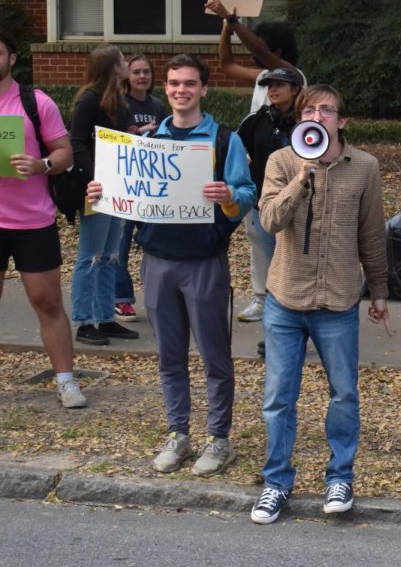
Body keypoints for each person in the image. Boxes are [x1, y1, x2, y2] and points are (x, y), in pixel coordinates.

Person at [86, 54, 255, 475]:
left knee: (215, 356)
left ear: (203, 89)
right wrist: (100, 191)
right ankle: (178, 433)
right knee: (169, 356)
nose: (182, 91)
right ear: (167, 89)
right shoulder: (146, 143)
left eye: (190, 84)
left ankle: (218, 438)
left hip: (204, 261)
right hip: (157, 260)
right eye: (175, 84)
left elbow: (247, 194)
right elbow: (127, 194)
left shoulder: (223, 141)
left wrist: (228, 196)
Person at [249, 85, 389, 524]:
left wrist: (380, 291)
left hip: (338, 299)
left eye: (326, 110)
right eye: (309, 109)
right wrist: (301, 177)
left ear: (342, 121)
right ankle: (276, 484)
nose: (318, 115)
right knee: (278, 397)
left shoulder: (364, 167)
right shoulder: (282, 161)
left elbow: (371, 233)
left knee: (344, 394)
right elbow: (270, 221)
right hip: (286, 299)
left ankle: (340, 477)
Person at [203, 0, 305, 323]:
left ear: (276, 50)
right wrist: (224, 26)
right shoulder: (263, 78)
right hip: (258, 163)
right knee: (255, 235)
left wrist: (233, 21)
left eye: (261, 45)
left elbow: (257, 51)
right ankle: (263, 296)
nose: (255, 49)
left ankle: (287, 297)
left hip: (286, 168)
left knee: (284, 237)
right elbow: (226, 64)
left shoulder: (294, 75)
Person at [0, 30, 84, 408]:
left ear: (12, 58)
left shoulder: (35, 102)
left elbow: (64, 153)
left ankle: (66, 381)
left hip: (33, 221)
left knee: (47, 301)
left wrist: (41, 165)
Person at [68, 45, 140, 347]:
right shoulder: (90, 100)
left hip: (117, 187)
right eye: (123, 60)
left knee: (110, 255)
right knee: (90, 255)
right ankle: (84, 320)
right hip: (98, 188)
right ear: (113, 67)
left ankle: (105, 316)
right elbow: (77, 141)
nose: (127, 64)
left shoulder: (117, 101)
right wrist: (93, 177)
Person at [235, 67, 302, 330]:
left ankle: (300, 314)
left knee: (298, 258)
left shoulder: (308, 120)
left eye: (280, 85)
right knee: (272, 259)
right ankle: (275, 316)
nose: (272, 90)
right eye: (269, 85)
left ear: (295, 89)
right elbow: (237, 152)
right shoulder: (256, 119)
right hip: (264, 204)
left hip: (303, 202)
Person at [113, 54, 168, 321]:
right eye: (136, 72)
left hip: (151, 186)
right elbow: (111, 140)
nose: (142, 77)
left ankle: (159, 298)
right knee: (119, 246)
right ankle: (121, 299)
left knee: (156, 244)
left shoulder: (158, 105)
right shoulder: (118, 103)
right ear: (127, 76)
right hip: (125, 184)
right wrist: (139, 133)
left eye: (146, 72)